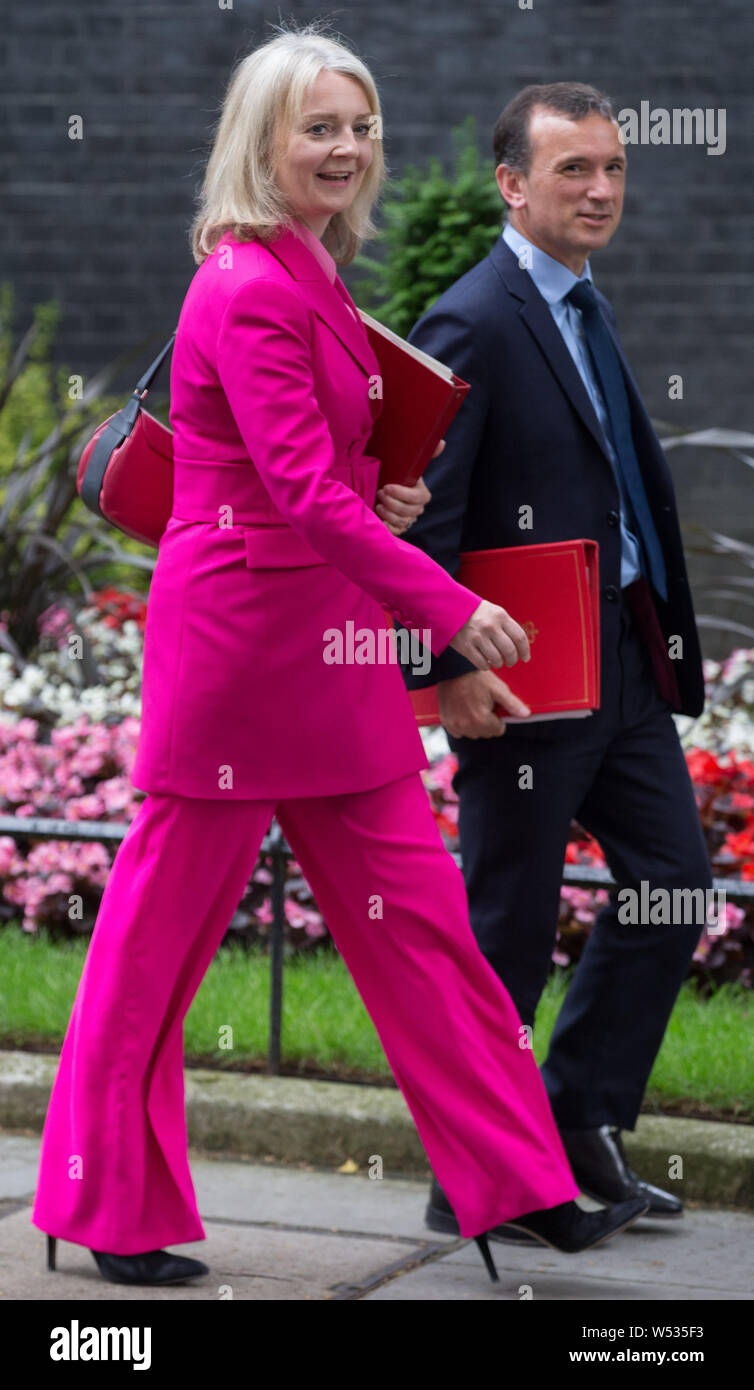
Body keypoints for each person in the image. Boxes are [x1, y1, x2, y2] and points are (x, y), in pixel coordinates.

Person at [30, 36, 647, 1290]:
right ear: (262, 141)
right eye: (319, 127)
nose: (347, 147)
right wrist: (449, 610)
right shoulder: (247, 282)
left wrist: (390, 489)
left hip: (325, 649)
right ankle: (104, 1205)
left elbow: (317, 474)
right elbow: (302, 495)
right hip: (241, 658)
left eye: (360, 125)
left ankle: (519, 1186)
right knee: (153, 952)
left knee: (427, 940)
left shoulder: (308, 268)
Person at [397, 82, 712, 1241]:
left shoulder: (584, 301)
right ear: (511, 184)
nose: (600, 190)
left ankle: (577, 1119)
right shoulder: (472, 318)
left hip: (619, 663)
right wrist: (445, 668)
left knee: (677, 882)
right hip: (518, 675)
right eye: (573, 169)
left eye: (613, 168)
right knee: (507, 928)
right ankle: (471, 1177)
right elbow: (421, 516)